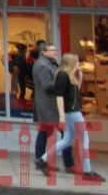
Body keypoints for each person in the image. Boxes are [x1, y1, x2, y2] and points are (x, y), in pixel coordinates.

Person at [43, 52, 104, 182]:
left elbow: (75, 93)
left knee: (67, 140)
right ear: (70, 63)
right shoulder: (63, 75)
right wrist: (61, 117)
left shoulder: (70, 75)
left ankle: (42, 159)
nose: (78, 64)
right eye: (76, 61)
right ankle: (87, 171)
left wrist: (80, 76)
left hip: (73, 111)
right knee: (84, 138)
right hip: (72, 112)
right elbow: (59, 96)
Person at [32, 42, 75, 172]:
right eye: (52, 50)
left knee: (58, 133)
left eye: (56, 49)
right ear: (43, 52)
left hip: (50, 105)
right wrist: (64, 83)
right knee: (59, 133)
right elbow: (47, 86)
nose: (55, 52)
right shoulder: (42, 65)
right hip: (49, 105)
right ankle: (65, 164)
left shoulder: (50, 62)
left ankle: (45, 161)